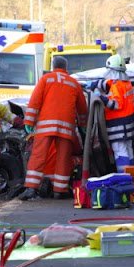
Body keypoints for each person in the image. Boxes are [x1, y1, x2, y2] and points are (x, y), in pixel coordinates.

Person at [18, 56, 88, 201]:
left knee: (38, 155)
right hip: (66, 127)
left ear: (52, 66)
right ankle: (60, 190)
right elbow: (82, 109)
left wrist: (29, 122)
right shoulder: (74, 83)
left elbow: (35, 101)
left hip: (46, 126)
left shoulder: (46, 79)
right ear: (66, 67)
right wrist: (83, 126)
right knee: (63, 158)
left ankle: (31, 188)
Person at [89, 54, 134, 172]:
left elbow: (114, 105)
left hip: (119, 127)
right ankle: (132, 178)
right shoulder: (126, 83)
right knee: (128, 150)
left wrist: (100, 96)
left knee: (120, 152)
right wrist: (97, 84)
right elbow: (109, 82)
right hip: (128, 125)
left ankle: (124, 178)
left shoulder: (117, 86)